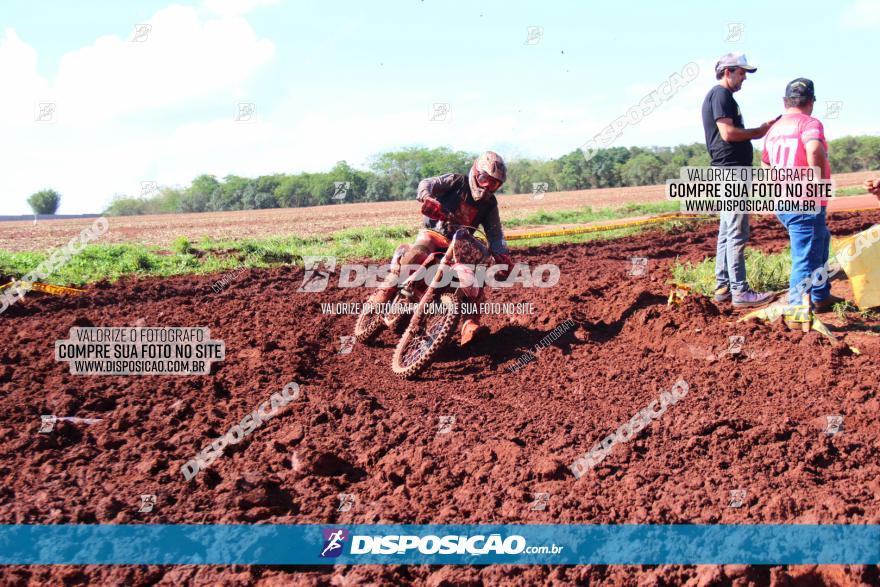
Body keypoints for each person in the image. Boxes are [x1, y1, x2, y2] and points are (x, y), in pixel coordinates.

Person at [373, 151, 513, 346]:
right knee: (416, 255)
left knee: (477, 275)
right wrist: (427, 197)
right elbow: (427, 183)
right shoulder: (457, 181)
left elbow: (495, 233)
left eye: (494, 183)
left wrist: (502, 254)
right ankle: (384, 293)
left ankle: (470, 324)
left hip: (458, 245)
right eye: (484, 179)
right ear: (475, 173)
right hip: (435, 233)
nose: (488, 186)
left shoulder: (490, 204)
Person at [701, 52, 779, 307]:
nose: (744, 77)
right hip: (732, 172)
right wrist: (759, 132)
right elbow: (728, 133)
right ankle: (740, 292)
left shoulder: (722, 97)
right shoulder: (721, 95)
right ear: (728, 71)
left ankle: (723, 287)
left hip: (729, 171)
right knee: (737, 232)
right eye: (742, 72)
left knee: (727, 231)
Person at [762, 78, 843, 311]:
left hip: (785, 199)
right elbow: (814, 148)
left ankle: (820, 296)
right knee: (805, 257)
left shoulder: (774, 129)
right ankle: (797, 308)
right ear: (812, 101)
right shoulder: (809, 123)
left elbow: (765, 162)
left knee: (820, 240)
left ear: (786, 101)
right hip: (805, 200)